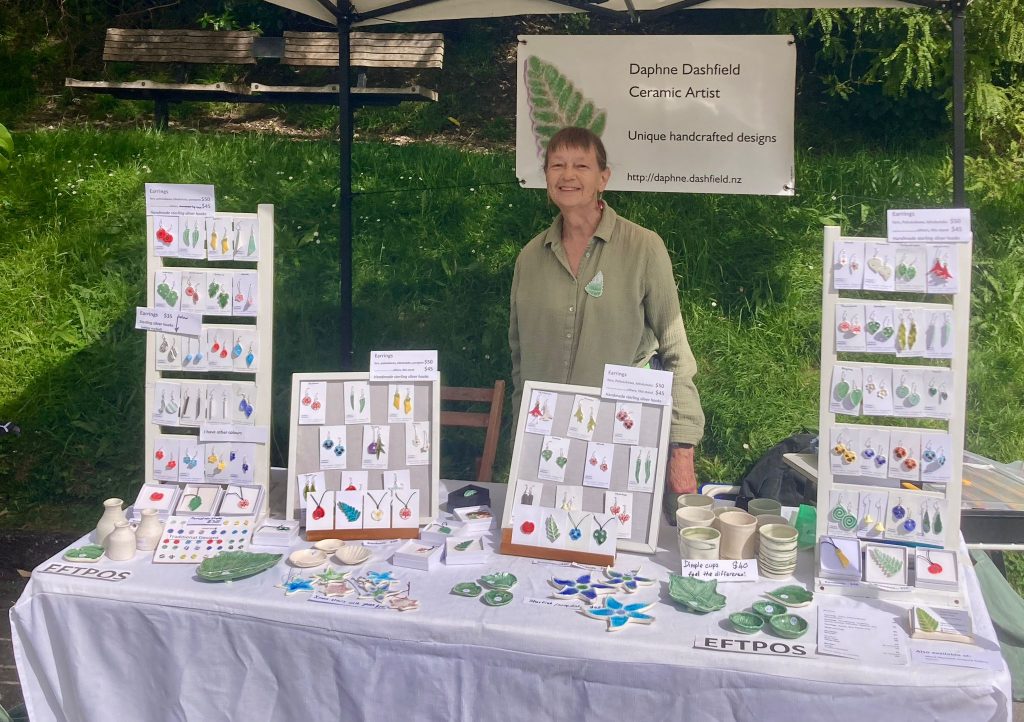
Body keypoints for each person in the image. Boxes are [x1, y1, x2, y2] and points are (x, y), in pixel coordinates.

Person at [509, 126, 705, 511]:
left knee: (618, 558)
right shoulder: (529, 258)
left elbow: (676, 351)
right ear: (545, 177)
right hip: (547, 445)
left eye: (581, 165)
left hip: (620, 442)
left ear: (603, 178)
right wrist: (522, 443)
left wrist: (682, 451)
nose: (568, 175)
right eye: (557, 165)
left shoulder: (644, 247)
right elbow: (520, 360)